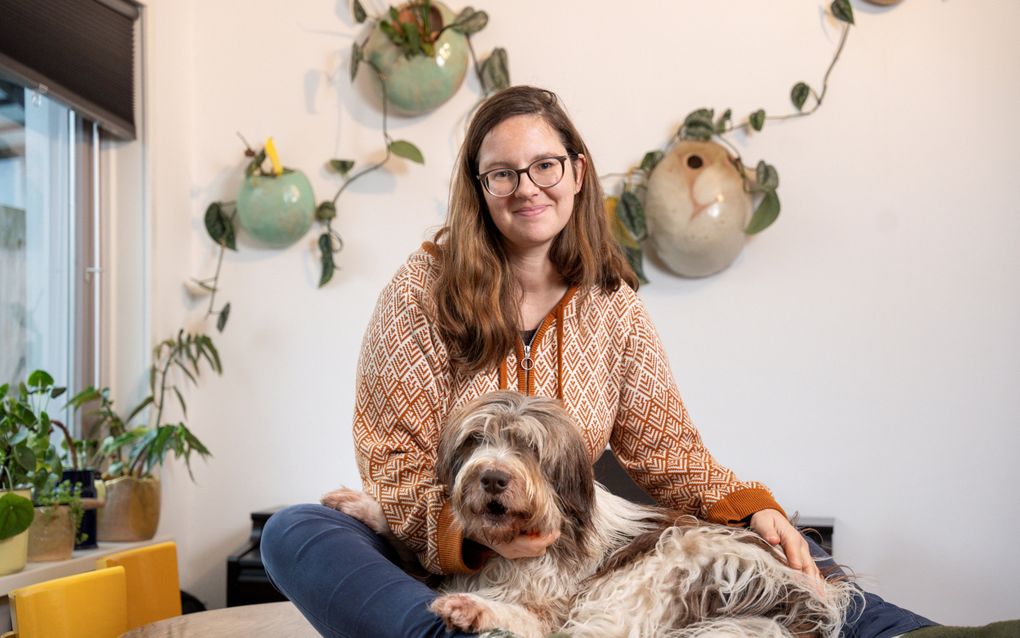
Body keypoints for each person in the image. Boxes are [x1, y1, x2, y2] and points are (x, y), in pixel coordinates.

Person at [261, 86, 1007, 638]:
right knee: (295, 531)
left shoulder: (612, 304)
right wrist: (470, 535)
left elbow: (668, 453)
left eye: (545, 165)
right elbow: (393, 458)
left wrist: (755, 508)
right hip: (446, 543)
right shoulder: (419, 290)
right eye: (503, 174)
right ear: (479, 190)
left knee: (780, 545)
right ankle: (452, 631)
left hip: (577, 553)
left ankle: (917, 635)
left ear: (577, 173)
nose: (527, 188)